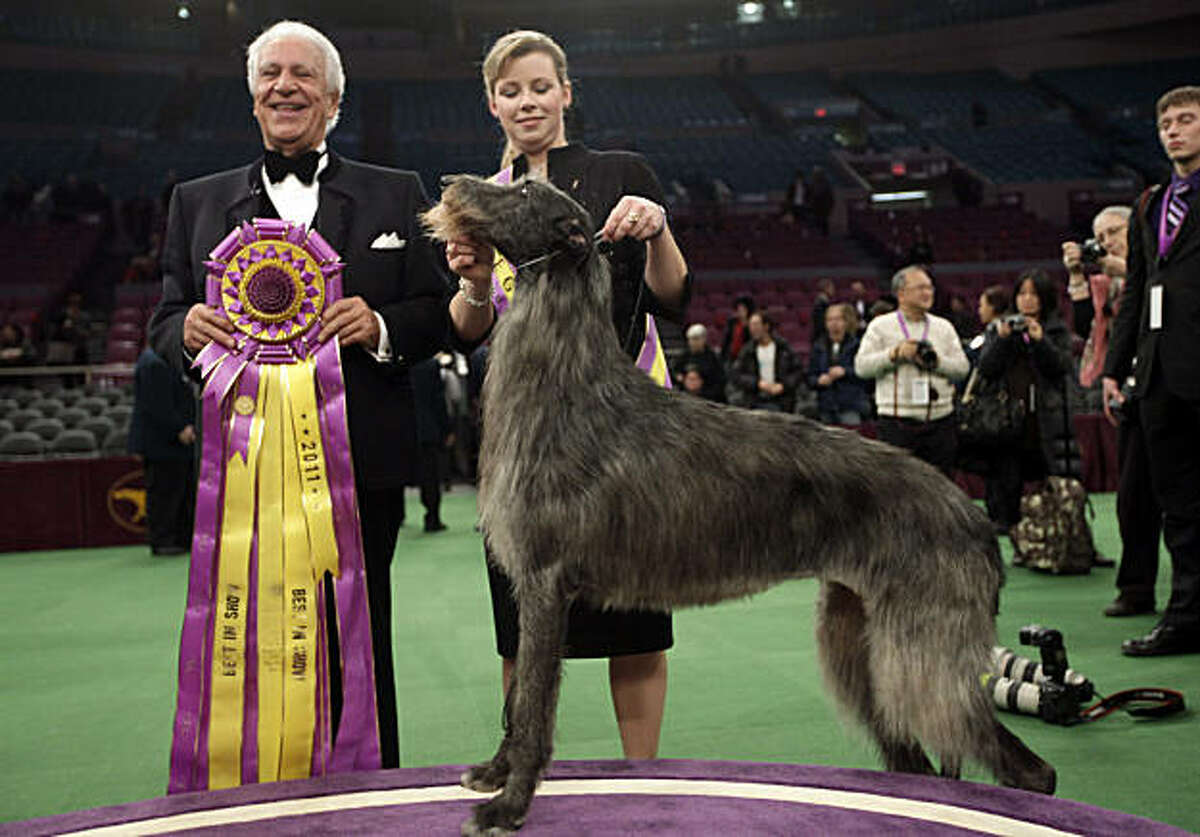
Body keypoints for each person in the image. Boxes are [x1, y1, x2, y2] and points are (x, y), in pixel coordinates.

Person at [147, 20, 451, 769]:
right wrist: (184, 327)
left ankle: (366, 788)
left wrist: (379, 323)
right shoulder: (195, 201)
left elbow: (438, 310)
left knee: (358, 633)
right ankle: (254, 789)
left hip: (361, 464)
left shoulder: (397, 192)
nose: (285, 86)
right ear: (252, 97)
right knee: (240, 640)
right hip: (240, 472)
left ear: (334, 99)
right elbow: (162, 317)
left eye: (302, 75)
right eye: (270, 75)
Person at [444, 29, 690, 759]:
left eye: (541, 86)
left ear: (566, 93)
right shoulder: (481, 199)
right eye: (512, 90)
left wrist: (660, 230)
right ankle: (521, 759)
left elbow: (674, 297)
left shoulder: (622, 171)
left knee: (635, 619)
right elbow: (465, 325)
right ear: (493, 103)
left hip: (625, 434)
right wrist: (474, 281)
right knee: (523, 618)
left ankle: (641, 774)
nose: (528, 101)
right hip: (524, 443)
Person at [1103, 86, 1200, 655]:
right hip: (1159, 374)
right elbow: (1137, 291)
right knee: (1180, 506)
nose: (1174, 130)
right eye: (1166, 122)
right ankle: (1186, 616)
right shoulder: (1149, 204)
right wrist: (1117, 367)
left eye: (1186, 120)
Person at [1064, 206, 1161, 615]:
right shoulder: (1108, 282)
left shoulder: (1161, 262)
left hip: (1172, 382)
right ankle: (1136, 588)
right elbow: (1089, 325)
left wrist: (1113, 264)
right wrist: (1077, 275)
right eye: (1098, 237)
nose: (1104, 243)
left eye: (1113, 232)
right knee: (1132, 496)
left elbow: (1149, 275)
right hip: (1129, 391)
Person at [976, 269, 1079, 534]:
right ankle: (1008, 526)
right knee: (1006, 481)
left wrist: (1040, 339)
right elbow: (986, 369)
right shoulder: (1000, 328)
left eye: (1034, 293)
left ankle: (1059, 534)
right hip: (1008, 419)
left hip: (1047, 418)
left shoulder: (1056, 330)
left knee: (1054, 479)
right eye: (1022, 293)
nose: (1027, 300)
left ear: (1045, 297)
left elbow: (1061, 367)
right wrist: (1001, 339)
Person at [855, 265, 969, 478]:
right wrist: (895, 354)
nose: (927, 293)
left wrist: (936, 362)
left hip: (940, 422)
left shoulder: (943, 327)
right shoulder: (880, 326)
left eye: (930, 288)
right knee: (897, 491)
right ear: (901, 293)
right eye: (920, 288)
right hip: (896, 423)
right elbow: (862, 367)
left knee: (941, 491)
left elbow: (962, 369)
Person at [128, 347, 196, 556]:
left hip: (176, 444)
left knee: (181, 493)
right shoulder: (155, 362)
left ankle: (181, 537)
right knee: (164, 494)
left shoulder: (166, 360)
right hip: (163, 443)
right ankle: (163, 540)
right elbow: (157, 405)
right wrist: (179, 428)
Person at [807, 303, 868, 425]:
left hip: (850, 404)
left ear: (846, 321)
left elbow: (866, 373)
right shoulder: (818, 346)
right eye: (829, 319)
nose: (833, 323)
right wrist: (818, 380)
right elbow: (809, 376)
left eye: (838, 319)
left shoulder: (858, 345)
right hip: (825, 405)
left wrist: (845, 372)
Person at [411, 355, 450, 533]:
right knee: (431, 475)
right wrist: (446, 428)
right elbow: (438, 399)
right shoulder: (431, 365)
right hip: (429, 427)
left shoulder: (401, 363)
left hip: (407, 428)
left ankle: (401, 515)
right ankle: (432, 516)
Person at [733, 310, 800, 412]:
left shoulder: (783, 347)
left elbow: (797, 372)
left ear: (766, 326)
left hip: (781, 399)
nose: (753, 329)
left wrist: (783, 386)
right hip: (755, 399)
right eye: (751, 325)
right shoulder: (747, 350)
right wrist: (757, 383)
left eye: (756, 324)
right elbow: (737, 375)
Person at [672, 323, 725, 402]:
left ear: (704, 339)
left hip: (707, 397)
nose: (693, 342)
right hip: (685, 396)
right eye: (690, 339)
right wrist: (680, 377)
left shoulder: (712, 357)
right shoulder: (684, 355)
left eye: (696, 339)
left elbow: (719, 380)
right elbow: (675, 371)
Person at [721, 293, 754, 365]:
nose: (740, 311)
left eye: (743, 309)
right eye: (739, 309)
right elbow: (726, 340)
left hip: (747, 358)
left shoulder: (753, 323)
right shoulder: (732, 322)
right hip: (731, 357)